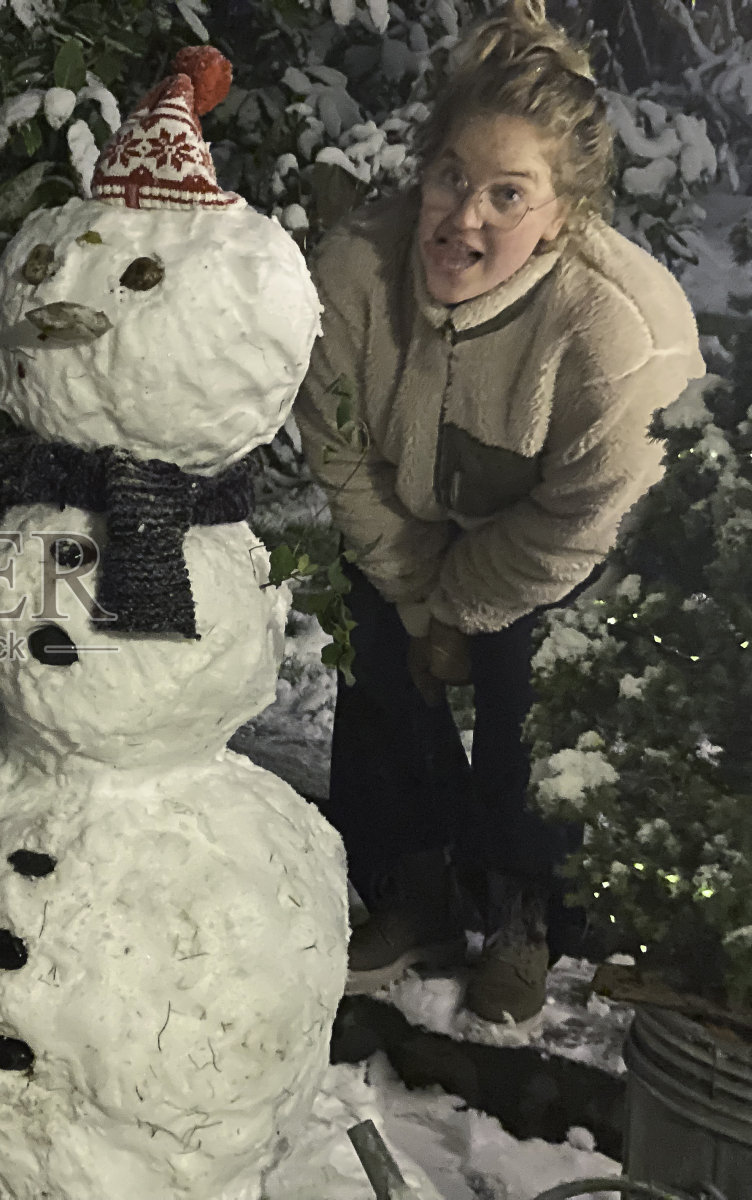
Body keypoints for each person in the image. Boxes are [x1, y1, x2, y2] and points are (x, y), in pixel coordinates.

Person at [293, 0, 704, 1023]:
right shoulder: (352, 274)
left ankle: (524, 907)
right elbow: (341, 454)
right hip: (419, 517)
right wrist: (414, 602)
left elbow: (577, 523)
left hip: (571, 549)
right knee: (376, 649)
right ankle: (409, 883)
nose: (464, 215)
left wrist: (462, 614)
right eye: (450, 178)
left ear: (562, 213)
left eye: (506, 194)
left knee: (537, 684)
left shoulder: (618, 341)